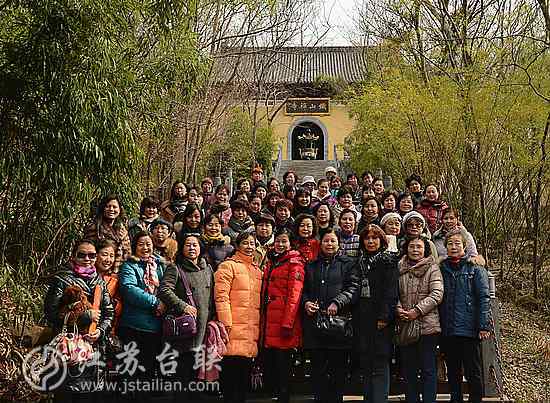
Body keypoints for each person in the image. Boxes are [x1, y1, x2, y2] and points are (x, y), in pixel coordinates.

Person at [44, 239, 114, 400]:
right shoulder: (62, 280)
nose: (87, 259)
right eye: (82, 255)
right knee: (67, 394)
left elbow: (108, 312)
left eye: (92, 255)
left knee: (92, 394)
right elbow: (51, 313)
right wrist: (83, 317)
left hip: (94, 347)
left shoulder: (99, 281)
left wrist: (101, 330)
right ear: (73, 256)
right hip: (69, 348)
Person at [302, 229, 360, 403]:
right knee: (318, 371)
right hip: (316, 326)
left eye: (333, 241)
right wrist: (306, 303)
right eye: (326, 241)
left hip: (339, 326)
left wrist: (337, 302)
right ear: (321, 243)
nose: (329, 244)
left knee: (338, 372)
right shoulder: (311, 265)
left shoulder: (348, 263)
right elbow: (303, 290)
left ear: (338, 244)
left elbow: (353, 288)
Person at [158, 234, 215, 399]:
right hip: (185, 328)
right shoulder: (175, 268)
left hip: (203, 326)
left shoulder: (208, 268)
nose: (192, 248)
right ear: (181, 249)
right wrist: (183, 306)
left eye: (195, 245)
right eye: (188, 245)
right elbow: (164, 290)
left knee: (197, 375)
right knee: (183, 373)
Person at [439, 230, 491, 403]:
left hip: (469, 329)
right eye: (450, 244)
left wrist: (483, 326)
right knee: (453, 372)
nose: (454, 247)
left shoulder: (475, 268)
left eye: (457, 244)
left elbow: (484, 298)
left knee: (472, 371)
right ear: (445, 247)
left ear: (464, 246)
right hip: (448, 328)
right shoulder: (441, 268)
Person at [118, 231, 168, 398]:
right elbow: (129, 289)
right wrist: (155, 302)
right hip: (133, 325)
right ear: (134, 247)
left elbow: (167, 288)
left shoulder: (160, 265)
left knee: (147, 371)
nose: (145, 247)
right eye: (141, 244)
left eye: (148, 244)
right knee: (129, 371)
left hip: (154, 326)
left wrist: (165, 303)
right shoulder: (129, 265)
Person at [215, 231, 263, 403]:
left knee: (243, 381)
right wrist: (226, 324)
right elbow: (221, 296)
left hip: (250, 331)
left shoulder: (257, 271)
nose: (249, 247)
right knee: (230, 379)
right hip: (232, 329)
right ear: (237, 245)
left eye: (252, 243)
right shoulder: (228, 266)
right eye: (245, 243)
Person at [353, 224, 398, 403]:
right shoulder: (359, 261)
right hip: (362, 317)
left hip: (381, 319)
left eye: (374, 238)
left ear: (381, 240)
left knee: (380, 363)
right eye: (367, 238)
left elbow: (391, 291)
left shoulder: (388, 261)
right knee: (366, 363)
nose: (370, 242)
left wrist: (385, 317)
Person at [397, 237, 443, 403]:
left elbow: (437, 294)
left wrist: (416, 311)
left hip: (427, 326)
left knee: (428, 370)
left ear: (425, 249)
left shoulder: (433, 268)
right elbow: (393, 292)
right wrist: (399, 309)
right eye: (412, 246)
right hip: (405, 325)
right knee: (409, 370)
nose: (415, 250)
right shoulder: (399, 267)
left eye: (419, 247)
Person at [262, 228, 305, 403]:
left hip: (284, 322)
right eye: (278, 241)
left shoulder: (295, 263)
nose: (280, 244)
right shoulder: (274, 260)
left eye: (284, 241)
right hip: (271, 319)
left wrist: (288, 323)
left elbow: (295, 294)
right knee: (274, 366)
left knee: (283, 367)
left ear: (290, 243)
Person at [84, 194, 131, 270]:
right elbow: (89, 252)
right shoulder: (95, 228)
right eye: (108, 206)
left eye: (114, 207)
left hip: (120, 271)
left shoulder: (123, 229)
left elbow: (128, 252)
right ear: (103, 209)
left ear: (119, 210)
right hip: (99, 271)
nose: (111, 209)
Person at [95, 239, 122, 333]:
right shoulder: (86, 277)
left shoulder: (116, 280)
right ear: (95, 255)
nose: (108, 260)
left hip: (107, 330)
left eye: (111, 256)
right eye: (104, 254)